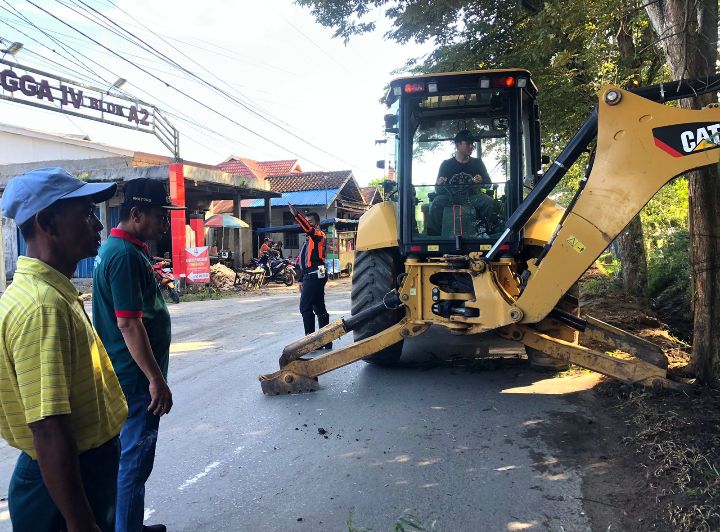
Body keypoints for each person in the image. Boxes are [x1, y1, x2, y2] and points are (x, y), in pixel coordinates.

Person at [0, 167, 128, 531]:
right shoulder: (42, 306)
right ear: (48, 223)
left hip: (74, 472)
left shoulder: (52, 292)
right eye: (86, 213)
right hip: (62, 484)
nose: (98, 225)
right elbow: (48, 429)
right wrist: (79, 522)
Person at [92, 178, 185, 532]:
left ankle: (128, 523)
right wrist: (156, 381)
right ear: (136, 213)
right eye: (160, 215)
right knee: (135, 460)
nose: (164, 223)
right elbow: (129, 325)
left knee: (128, 458)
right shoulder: (124, 256)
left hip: (128, 375)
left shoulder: (122, 250)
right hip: (134, 379)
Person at [427, 130, 503, 236]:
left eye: (472, 144)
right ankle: (433, 237)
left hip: (472, 198)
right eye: (468, 143)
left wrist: (481, 181)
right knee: (436, 203)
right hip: (450, 198)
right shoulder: (446, 164)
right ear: (458, 145)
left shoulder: (478, 163)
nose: (471, 146)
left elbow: (488, 183)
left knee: (489, 202)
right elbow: (438, 190)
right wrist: (439, 183)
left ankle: (494, 234)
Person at [289, 204, 330, 347]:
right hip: (313, 274)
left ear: (316, 224)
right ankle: (326, 341)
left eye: (310, 222)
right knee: (319, 307)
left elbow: (308, 228)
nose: (307, 225)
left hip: (315, 274)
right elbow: (303, 261)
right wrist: (301, 279)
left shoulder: (318, 235)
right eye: (306, 222)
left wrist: (296, 215)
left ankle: (310, 343)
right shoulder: (309, 240)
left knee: (305, 308)